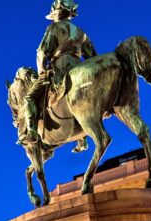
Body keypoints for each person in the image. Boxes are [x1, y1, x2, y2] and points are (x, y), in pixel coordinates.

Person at [23, 0, 96, 152]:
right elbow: (92, 57)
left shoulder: (54, 28)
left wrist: (42, 72)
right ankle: (82, 138)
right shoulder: (81, 32)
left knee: (29, 98)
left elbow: (42, 52)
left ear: (57, 14)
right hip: (80, 68)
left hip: (59, 69)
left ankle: (32, 132)